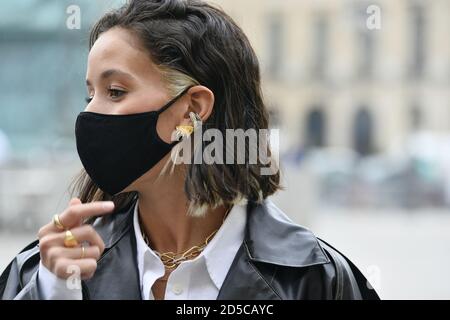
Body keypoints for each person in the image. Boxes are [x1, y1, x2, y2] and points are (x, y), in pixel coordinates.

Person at [0, 0, 379, 300]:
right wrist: (53, 292)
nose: (89, 114)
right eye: (90, 94)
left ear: (193, 109)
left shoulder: (316, 279)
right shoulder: (42, 272)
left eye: (115, 91)